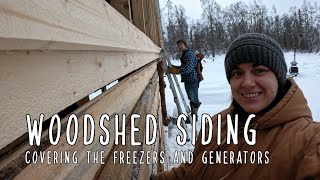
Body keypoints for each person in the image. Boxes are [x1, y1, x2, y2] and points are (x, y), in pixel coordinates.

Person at [152, 33, 320, 179]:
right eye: (237, 73)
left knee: (193, 99)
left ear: (279, 77)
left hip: (191, 81)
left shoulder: (309, 142)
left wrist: (176, 71)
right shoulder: (216, 124)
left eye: (259, 70)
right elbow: (193, 170)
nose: (247, 83)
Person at [167, 39, 201, 121]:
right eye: (178, 45)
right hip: (188, 79)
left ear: (185, 45)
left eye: (181, 44)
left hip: (192, 79)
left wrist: (177, 71)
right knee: (191, 98)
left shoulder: (189, 54)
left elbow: (188, 68)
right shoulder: (184, 53)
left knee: (194, 98)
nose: (179, 46)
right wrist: (175, 67)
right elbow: (184, 67)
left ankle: (194, 117)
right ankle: (193, 117)